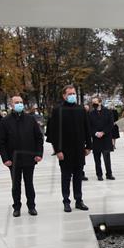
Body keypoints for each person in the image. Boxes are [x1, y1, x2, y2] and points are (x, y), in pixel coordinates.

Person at [46, 85, 92, 213]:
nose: (72, 96)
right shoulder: (57, 110)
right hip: (65, 150)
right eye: (70, 94)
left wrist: (88, 146)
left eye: (74, 93)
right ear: (64, 96)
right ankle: (66, 201)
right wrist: (58, 150)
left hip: (79, 149)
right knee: (66, 176)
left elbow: (87, 128)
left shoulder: (81, 109)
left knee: (78, 175)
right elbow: (54, 133)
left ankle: (79, 200)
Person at [0, 96, 44, 217]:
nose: (19, 104)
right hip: (13, 160)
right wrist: (5, 158)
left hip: (29, 158)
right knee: (15, 185)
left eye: (21, 102)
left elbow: (39, 137)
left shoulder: (30, 119)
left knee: (29, 184)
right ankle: (16, 207)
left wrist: (39, 153)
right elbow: (1, 141)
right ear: (11, 105)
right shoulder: (5, 121)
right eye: (16, 102)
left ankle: (32, 206)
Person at [88, 97, 115, 180]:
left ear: (100, 102)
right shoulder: (90, 114)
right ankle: (99, 175)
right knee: (97, 158)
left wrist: (103, 132)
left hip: (106, 138)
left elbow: (110, 124)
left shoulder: (108, 112)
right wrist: (95, 133)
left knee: (107, 158)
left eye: (95, 102)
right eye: (93, 102)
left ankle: (109, 174)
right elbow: (89, 126)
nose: (94, 104)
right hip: (96, 139)